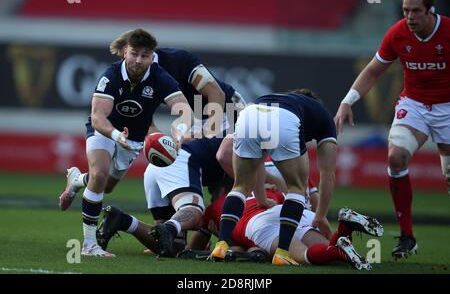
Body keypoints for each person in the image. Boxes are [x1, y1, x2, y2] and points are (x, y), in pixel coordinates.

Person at [334, 0, 450, 259]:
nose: (410, 17)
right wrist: (347, 101)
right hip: (415, 105)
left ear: (431, 11)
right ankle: (407, 236)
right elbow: (373, 70)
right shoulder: (398, 33)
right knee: (396, 157)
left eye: (416, 11)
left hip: (448, 106)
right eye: (406, 11)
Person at [59, 29, 194, 257]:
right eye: (134, 54)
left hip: (133, 139)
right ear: (124, 52)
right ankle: (90, 244)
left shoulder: (160, 77)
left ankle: (77, 179)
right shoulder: (110, 76)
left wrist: (179, 134)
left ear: (152, 57)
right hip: (105, 131)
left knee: (107, 187)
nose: (139, 60)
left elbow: (185, 112)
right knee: (99, 176)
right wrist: (115, 136)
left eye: (145, 55)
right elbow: (98, 117)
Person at [210, 89, 338, 265]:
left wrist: (261, 199)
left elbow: (259, 162)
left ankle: (221, 245)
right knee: (297, 188)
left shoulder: (282, 99)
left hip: (250, 112)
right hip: (283, 119)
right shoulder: (324, 118)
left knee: (240, 186)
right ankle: (282, 253)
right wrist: (321, 215)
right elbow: (328, 173)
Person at [185, 185, 383, 270]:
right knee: (332, 257)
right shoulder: (263, 192)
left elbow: (195, 247)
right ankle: (343, 232)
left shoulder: (216, 207)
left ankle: (338, 246)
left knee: (305, 256)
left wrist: (208, 235)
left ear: (217, 192)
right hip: (290, 211)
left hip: (258, 224)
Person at [96, 136, 228, 257]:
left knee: (173, 246)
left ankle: (123, 221)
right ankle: (169, 227)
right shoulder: (236, 146)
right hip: (179, 162)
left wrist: (195, 247)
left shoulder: (225, 140)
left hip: (157, 164)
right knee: (195, 213)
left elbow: (216, 200)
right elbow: (215, 210)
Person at [110, 31, 246, 138]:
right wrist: (162, 142)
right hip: (197, 120)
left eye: (136, 54)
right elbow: (148, 125)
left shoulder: (179, 59)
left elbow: (216, 93)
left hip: (226, 110)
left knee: (224, 161)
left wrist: (208, 134)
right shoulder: (135, 78)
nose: (133, 62)